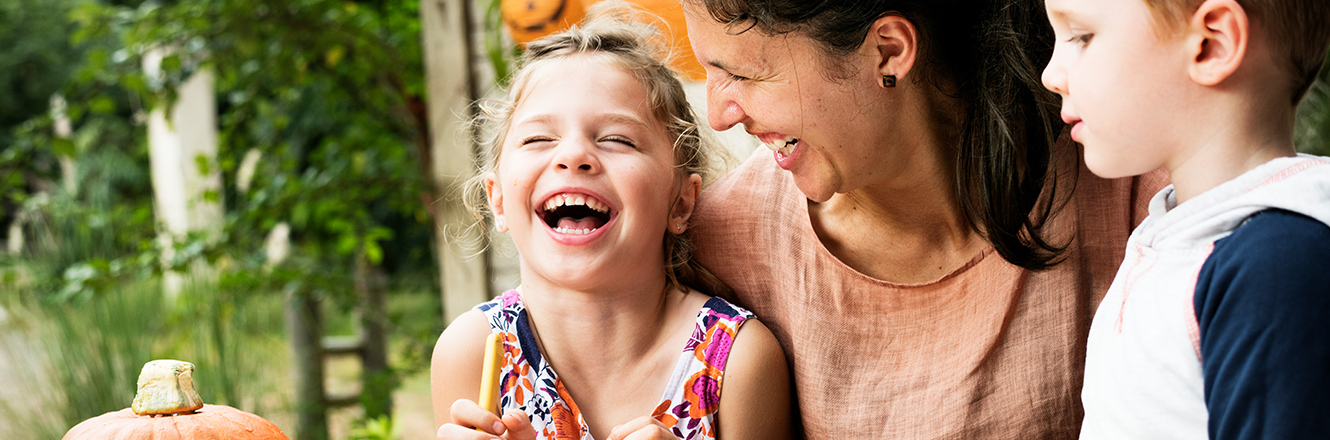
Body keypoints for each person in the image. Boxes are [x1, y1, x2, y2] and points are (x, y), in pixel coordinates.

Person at [679, 0, 1170, 439]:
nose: (718, 115)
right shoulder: (716, 247)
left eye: (742, 75)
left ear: (888, 50)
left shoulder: (1132, 183)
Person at [429, 7, 794, 440]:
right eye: (538, 138)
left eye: (617, 139)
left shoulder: (737, 361)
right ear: (499, 201)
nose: (573, 156)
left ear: (680, 203)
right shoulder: (471, 351)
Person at [1041, 0, 1330, 438]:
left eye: (1082, 36)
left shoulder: (1276, 267)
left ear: (1211, 45)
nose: (1050, 75)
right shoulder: (1179, 234)